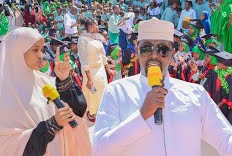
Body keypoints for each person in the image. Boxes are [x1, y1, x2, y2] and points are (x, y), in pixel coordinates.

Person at [93, 17, 232, 155]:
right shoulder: (116, 92)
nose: (154, 55)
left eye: (163, 49)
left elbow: (226, 138)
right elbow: (100, 149)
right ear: (137, 50)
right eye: (146, 48)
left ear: (172, 53)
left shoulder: (196, 94)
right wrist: (141, 115)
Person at [0, 27, 91, 155]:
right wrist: (51, 125)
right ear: (17, 52)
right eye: (35, 50)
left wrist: (64, 79)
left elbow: (78, 111)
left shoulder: (44, 82)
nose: (41, 55)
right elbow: (1, 147)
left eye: (41, 49)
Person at [78, 18, 115, 122]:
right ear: (90, 27)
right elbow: (84, 60)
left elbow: (103, 56)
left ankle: (102, 110)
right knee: (92, 92)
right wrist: (89, 78)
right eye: (96, 25)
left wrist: (108, 70)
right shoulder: (82, 40)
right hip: (89, 72)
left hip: (101, 70)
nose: (98, 27)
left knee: (103, 89)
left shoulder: (98, 39)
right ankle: (92, 112)